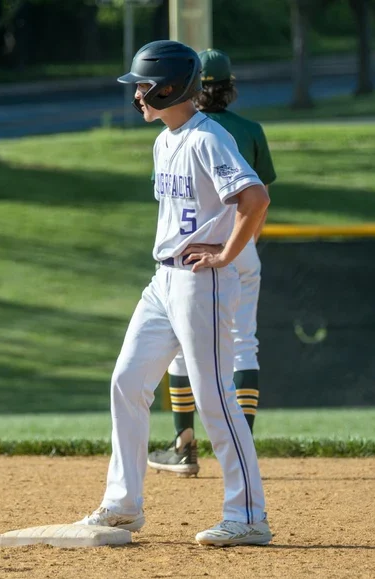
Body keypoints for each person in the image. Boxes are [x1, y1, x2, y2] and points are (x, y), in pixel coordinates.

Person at [75, 40, 272, 546]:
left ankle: (248, 514)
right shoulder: (165, 141)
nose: (137, 95)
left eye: (143, 86)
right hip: (163, 280)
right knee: (127, 380)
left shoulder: (208, 138)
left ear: (168, 88)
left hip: (200, 281)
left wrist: (226, 254)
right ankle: (123, 505)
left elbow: (255, 198)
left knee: (214, 396)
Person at [147, 48, 277, 478]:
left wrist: (224, 252)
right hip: (242, 245)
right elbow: (261, 199)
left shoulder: (189, 131)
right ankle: (242, 446)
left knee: (180, 354)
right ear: (230, 86)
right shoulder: (250, 129)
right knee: (244, 345)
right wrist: (244, 246)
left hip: (198, 253)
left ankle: (184, 444)